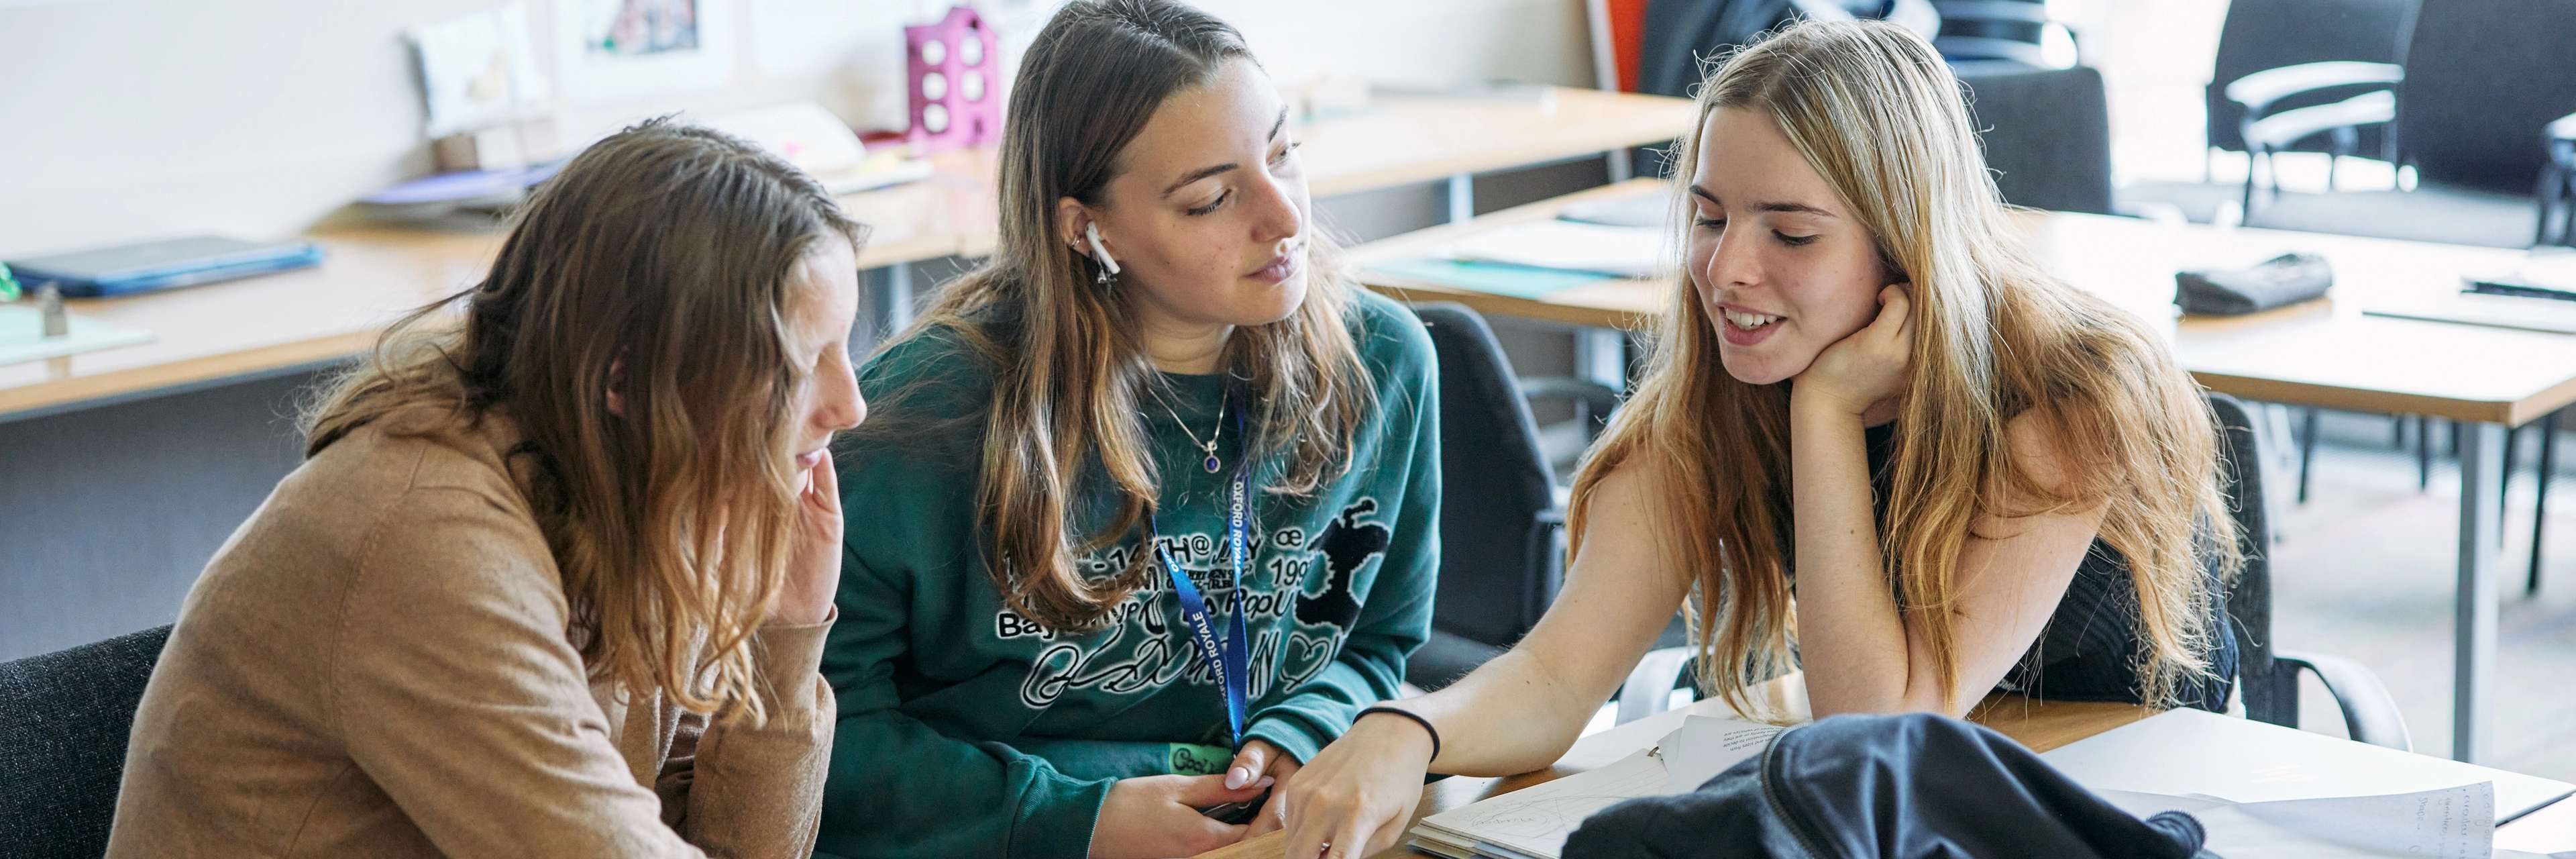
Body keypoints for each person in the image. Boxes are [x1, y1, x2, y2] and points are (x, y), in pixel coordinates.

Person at [1278, 19, 2241, 858]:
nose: (1727, 269)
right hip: (1907, 806)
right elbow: (1557, 675)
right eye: (1708, 217)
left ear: (1907, 245)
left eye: (1791, 234)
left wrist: (1823, 417)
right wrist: (1408, 726)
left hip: (2122, 796)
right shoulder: (1709, 404)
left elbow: (1879, 725)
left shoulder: (2066, 396)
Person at [107, 118, 866, 858]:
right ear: (624, 379)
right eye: (800, 366)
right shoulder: (426, 540)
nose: (850, 404)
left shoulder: (642, 494)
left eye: (845, 349)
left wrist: (784, 635)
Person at [809, 2, 1443, 857]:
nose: (1285, 216)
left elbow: (1379, 639)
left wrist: (1308, 726)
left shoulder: (1382, 363)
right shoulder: (918, 418)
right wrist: (1073, 819)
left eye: (1284, 154)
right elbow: (811, 733)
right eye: (1212, 198)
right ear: (1087, 227)